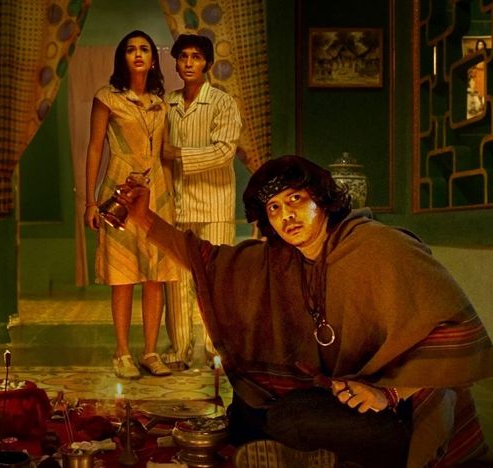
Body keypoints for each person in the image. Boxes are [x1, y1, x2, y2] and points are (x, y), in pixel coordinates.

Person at [117, 155, 493, 466]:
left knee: (289, 418)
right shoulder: (283, 259)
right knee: (247, 410)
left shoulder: (376, 247)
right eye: (274, 208)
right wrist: (143, 217)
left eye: (295, 199)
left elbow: (457, 329)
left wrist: (388, 394)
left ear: (321, 198)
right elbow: (207, 261)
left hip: (399, 414)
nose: (287, 215)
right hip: (340, 398)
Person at [84, 30, 177, 379]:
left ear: (153, 59)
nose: (138, 54)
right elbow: (95, 147)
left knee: (155, 275)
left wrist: (173, 200)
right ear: (122, 58)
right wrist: (90, 201)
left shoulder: (160, 104)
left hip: (157, 194)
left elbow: (165, 154)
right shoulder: (107, 97)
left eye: (144, 50)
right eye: (130, 50)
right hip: (119, 189)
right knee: (122, 275)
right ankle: (122, 352)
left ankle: (150, 351)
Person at [160, 33, 244, 370]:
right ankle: (179, 349)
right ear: (176, 63)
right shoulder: (167, 103)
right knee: (177, 279)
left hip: (214, 203)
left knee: (216, 279)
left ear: (207, 63)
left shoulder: (223, 102)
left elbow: (224, 152)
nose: (189, 63)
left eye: (196, 57)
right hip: (177, 203)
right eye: (183, 57)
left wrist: (178, 153)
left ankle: (215, 349)